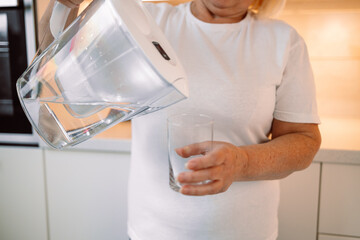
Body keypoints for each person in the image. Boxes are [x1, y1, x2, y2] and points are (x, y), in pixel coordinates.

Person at [42, 0, 322, 239]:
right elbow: (62, 62)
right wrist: (64, 4)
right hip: (151, 231)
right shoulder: (145, 20)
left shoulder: (284, 41)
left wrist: (242, 162)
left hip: (245, 231)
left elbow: (304, 141)